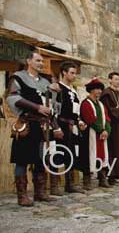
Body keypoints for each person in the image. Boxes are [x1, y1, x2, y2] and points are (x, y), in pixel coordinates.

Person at [8, 51, 64, 205]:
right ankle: (22, 196)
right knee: (22, 159)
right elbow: (13, 98)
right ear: (29, 61)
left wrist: (56, 93)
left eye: (42, 61)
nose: (41, 63)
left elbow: (53, 107)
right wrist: (37, 107)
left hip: (43, 126)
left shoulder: (46, 81)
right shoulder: (18, 77)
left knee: (41, 159)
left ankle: (40, 192)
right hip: (27, 124)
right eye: (38, 60)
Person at [54, 61, 85, 194]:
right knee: (58, 153)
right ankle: (55, 185)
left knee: (71, 153)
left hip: (72, 126)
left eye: (75, 73)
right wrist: (55, 127)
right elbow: (54, 109)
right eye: (72, 73)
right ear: (64, 73)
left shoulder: (74, 91)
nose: (74, 76)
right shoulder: (58, 89)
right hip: (60, 124)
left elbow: (76, 111)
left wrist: (79, 121)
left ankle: (69, 184)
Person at [79, 78, 111, 190]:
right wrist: (101, 130)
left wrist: (107, 130)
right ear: (91, 90)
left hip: (102, 135)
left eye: (100, 89)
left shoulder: (101, 105)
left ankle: (102, 178)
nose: (99, 91)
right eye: (96, 89)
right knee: (88, 156)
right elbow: (90, 119)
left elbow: (107, 119)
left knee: (102, 155)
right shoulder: (86, 103)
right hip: (90, 135)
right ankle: (87, 181)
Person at [100, 72, 119, 185]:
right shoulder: (106, 94)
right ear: (110, 80)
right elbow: (109, 110)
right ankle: (110, 175)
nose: (118, 81)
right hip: (111, 126)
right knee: (112, 150)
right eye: (116, 79)